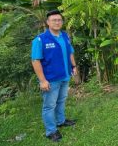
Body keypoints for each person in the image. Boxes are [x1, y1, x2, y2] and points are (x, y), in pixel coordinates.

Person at [31, 10, 78, 142]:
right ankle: (51, 131)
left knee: (61, 100)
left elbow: (70, 52)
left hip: (65, 76)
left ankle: (60, 121)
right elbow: (35, 61)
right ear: (48, 22)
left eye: (59, 20)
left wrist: (74, 66)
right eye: (54, 20)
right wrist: (42, 81)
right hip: (50, 80)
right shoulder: (40, 40)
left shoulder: (64, 36)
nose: (57, 22)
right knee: (49, 106)